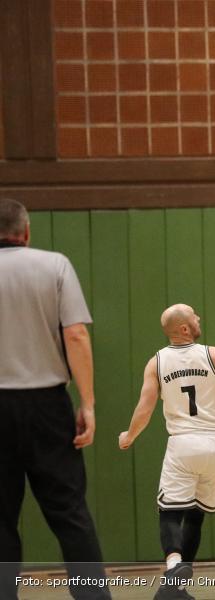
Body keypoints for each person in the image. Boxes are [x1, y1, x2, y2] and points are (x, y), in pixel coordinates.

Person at [0, 198, 112, 600]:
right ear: (26, 232)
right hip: (47, 406)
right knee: (69, 513)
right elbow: (76, 335)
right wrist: (88, 404)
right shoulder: (55, 265)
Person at [118, 304, 215, 600]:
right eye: (194, 315)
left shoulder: (157, 363)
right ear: (185, 329)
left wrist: (129, 436)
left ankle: (174, 565)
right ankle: (173, 589)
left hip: (184, 444)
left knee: (170, 511)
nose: (199, 317)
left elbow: (145, 409)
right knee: (197, 513)